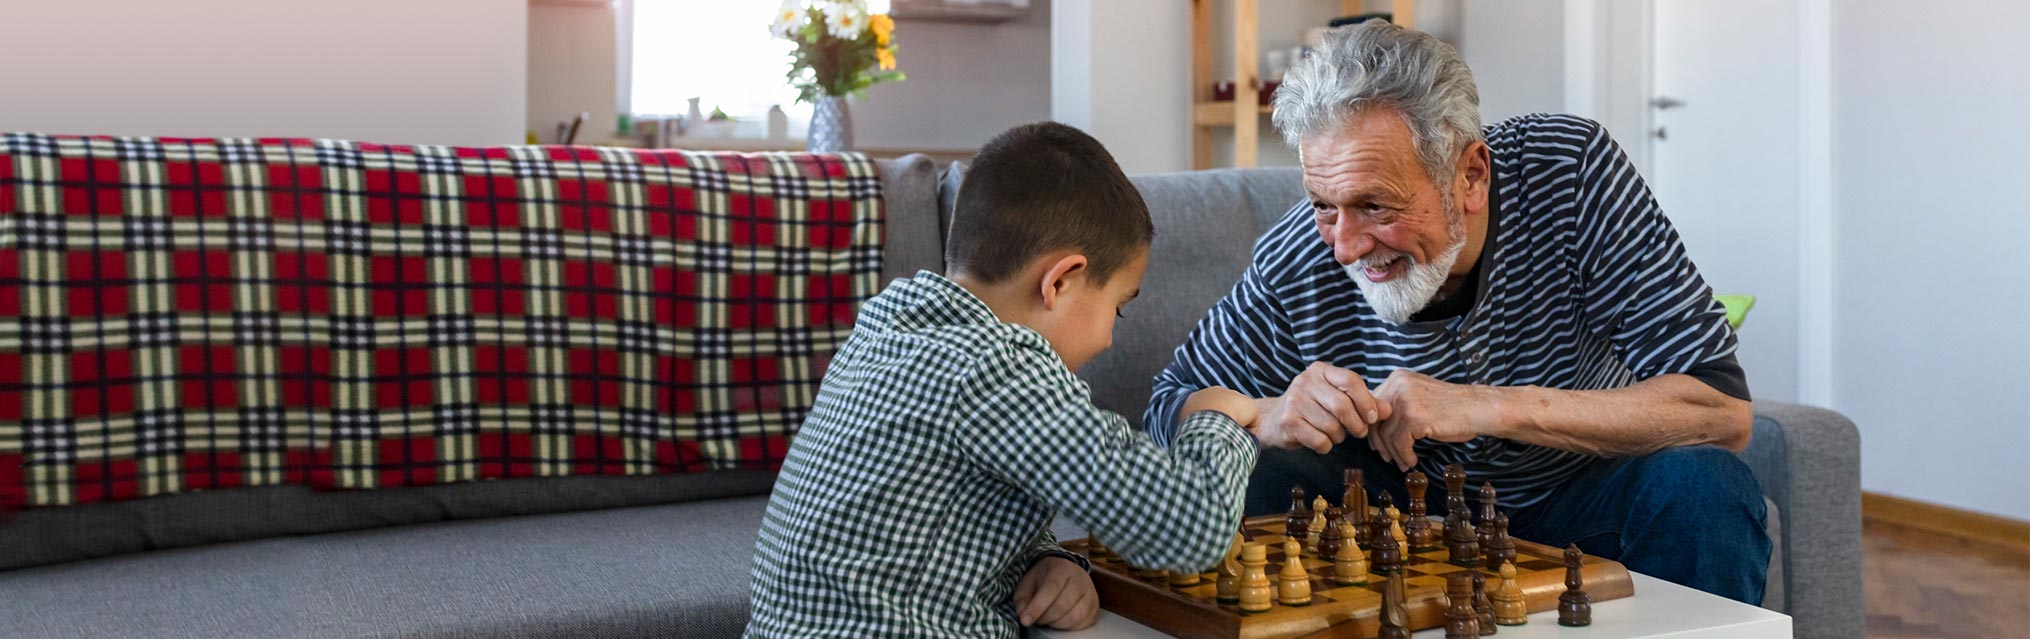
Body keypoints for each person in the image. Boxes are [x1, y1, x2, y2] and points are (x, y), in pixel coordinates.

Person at [1145, 20, 1770, 603]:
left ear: (1471, 176)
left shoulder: (1570, 172)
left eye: (1377, 207)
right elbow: (1168, 405)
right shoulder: (1298, 256)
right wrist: (1267, 414)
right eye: (1323, 204)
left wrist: (1481, 404)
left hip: (1581, 497)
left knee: (1703, 489)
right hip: (1393, 516)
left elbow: (1720, 410)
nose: (1344, 246)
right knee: (1254, 466)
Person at [745, 122, 1261, 637]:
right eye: (1117, 309)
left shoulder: (888, 327)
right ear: (1059, 281)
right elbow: (1190, 529)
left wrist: (1054, 561)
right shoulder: (995, 371)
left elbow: (945, 512)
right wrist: (1215, 419)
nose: (1108, 340)